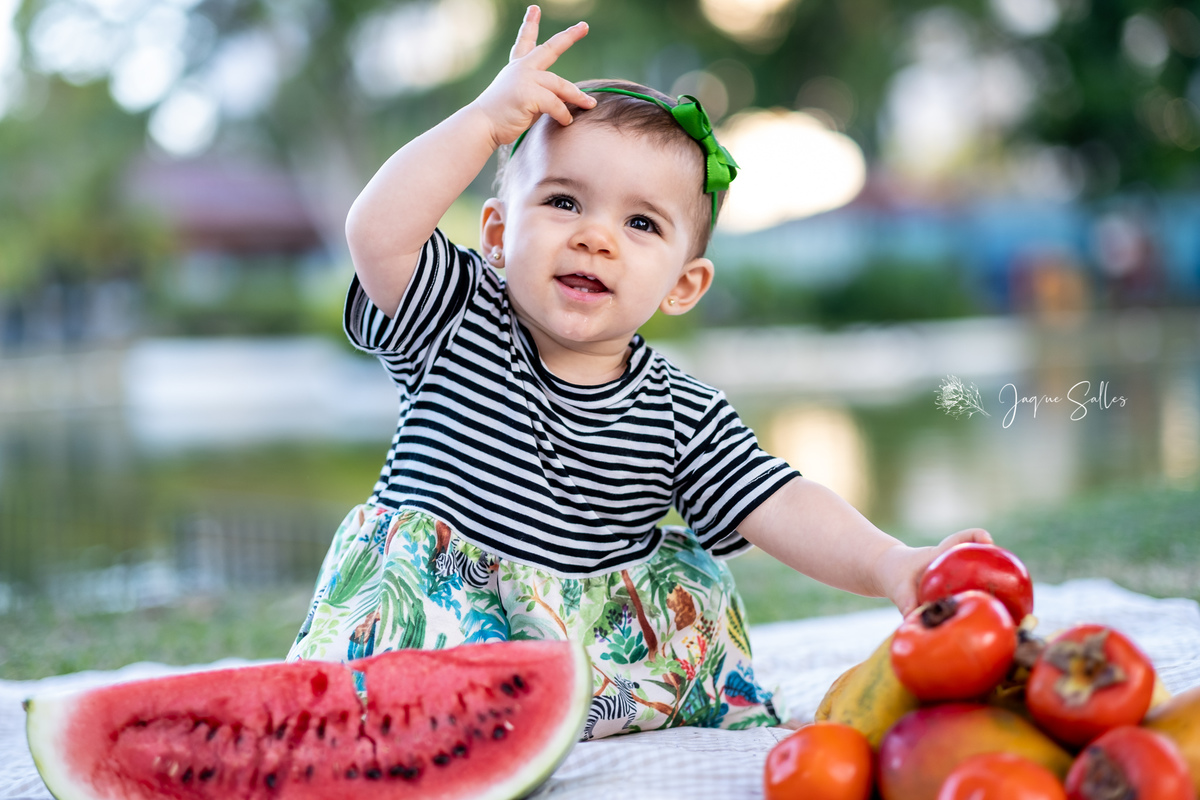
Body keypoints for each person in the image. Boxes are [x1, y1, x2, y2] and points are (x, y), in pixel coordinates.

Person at [287, 5, 991, 738]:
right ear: (497, 232)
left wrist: (891, 564)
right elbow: (377, 233)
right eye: (563, 201)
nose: (596, 236)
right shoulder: (456, 314)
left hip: (599, 670)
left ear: (683, 285)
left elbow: (781, 502)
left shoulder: (681, 411)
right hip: (432, 640)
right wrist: (485, 121)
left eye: (642, 223)